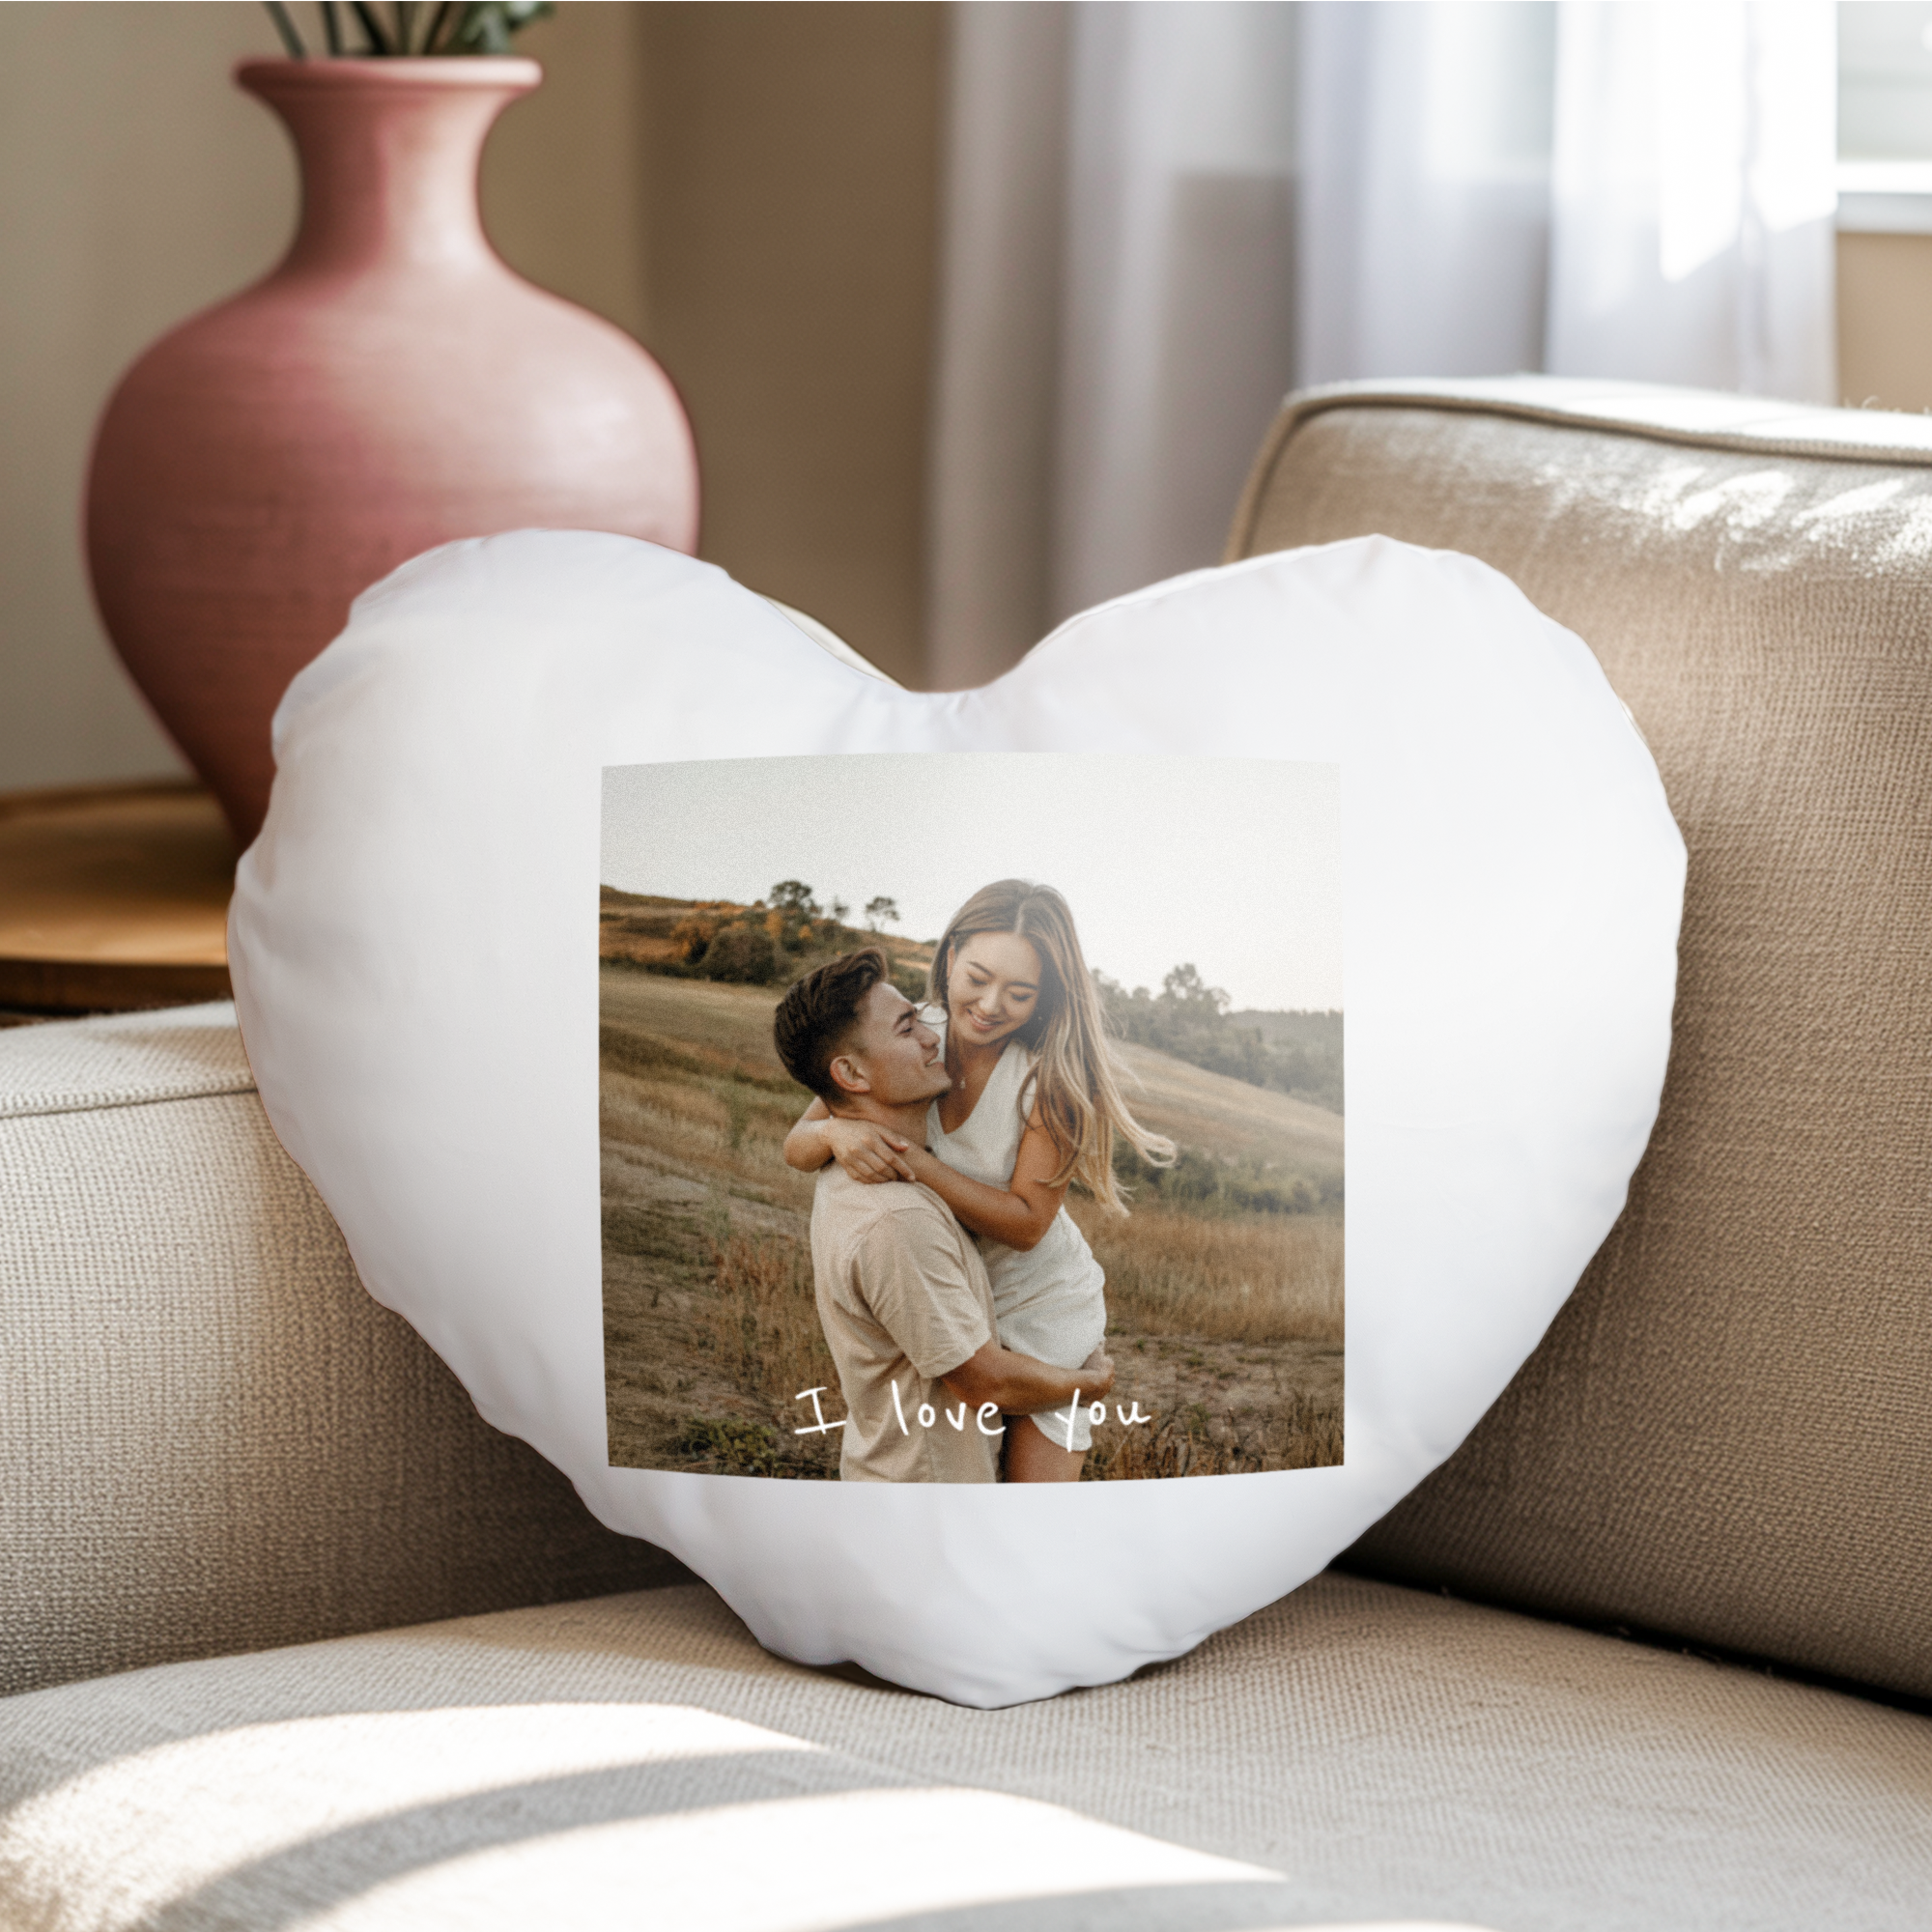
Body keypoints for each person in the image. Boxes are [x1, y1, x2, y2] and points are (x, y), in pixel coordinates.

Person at [785, 882, 1172, 1481]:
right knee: (959, 1469)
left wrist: (913, 1160)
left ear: (1045, 997)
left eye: (1020, 993)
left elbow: (1026, 1224)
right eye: (978, 978)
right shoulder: (915, 1036)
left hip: (1039, 1307)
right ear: (951, 955)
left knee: (1027, 1514)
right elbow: (797, 1143)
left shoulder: (1049, 1080)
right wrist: (837, 1135)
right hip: (962, 1296)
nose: (991, 1005)